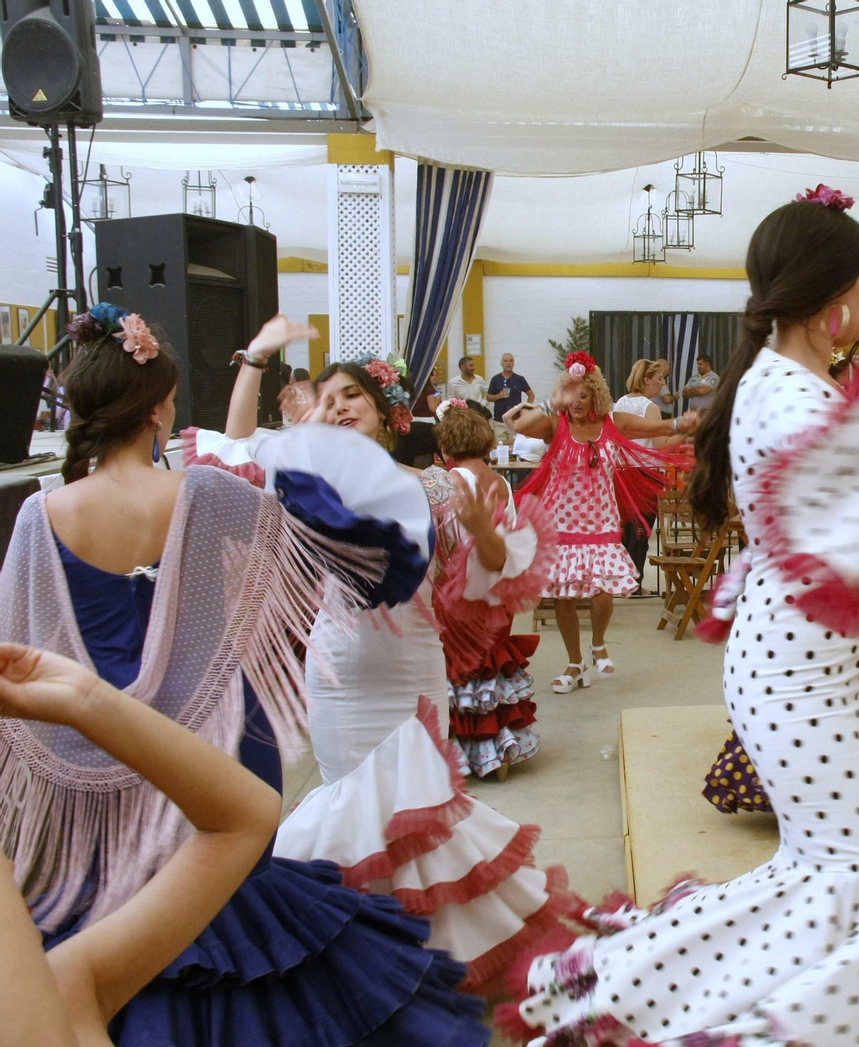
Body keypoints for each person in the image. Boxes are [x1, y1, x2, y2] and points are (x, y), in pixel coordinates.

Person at [509, 189, 859, 1045]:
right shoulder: (785, 392)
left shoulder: (789, 380)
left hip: (812, 657)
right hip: (799, 669)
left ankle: (654, 991)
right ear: (832, 298)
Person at [5, 305, 491, 1044]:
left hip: (96, 759)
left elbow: (19, 649)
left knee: (111, 931)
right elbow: (362, 559)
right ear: (161, 409)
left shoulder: (40, 518)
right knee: (234, 900)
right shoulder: (208, 495)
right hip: (216, 749)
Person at [198, 338, 573, 993]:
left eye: (356, 399)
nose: (340, 409)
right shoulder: (301, 487)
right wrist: (253, 359)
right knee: (353, 802)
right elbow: (230, 455)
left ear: (389, 416)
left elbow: (496, 565)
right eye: (330, 399)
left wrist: (482, 528)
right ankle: (356, 962)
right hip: (340, 667)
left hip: (415, 667)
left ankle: (426, 956)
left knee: (423, 807)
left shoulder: (434, 485)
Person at [0, 643, 284, 1047]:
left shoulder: (69, 989)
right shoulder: (59, 1002)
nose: (15, 871)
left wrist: (86, 698)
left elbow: (246, 820)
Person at [510, 353, 691, 692]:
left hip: (601, 519)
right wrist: (553, 403)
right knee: (563, 595)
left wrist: (685, 424)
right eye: (571, 394)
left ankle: (598, 642)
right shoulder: (555, 424)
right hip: (561, 520)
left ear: (596, 395)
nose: (576, 402)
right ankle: (574, 663)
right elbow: (519, 425)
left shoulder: (613, 422)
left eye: (583, 395)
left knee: (602, 589)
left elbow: (661, 428)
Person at [433, 400, 547, 781]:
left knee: (462, 668)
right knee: (492, 665)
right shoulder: (500, 481)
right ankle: (502, 750)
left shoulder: (452, 479)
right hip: (500, 584)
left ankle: (468, 753)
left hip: (463, 586)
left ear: (446, 447)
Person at [614, 358, 692, 585]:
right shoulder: (650, 408)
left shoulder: (619, 404)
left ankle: (621, 579)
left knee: (625, 527)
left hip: (621, 470)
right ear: (646, 379)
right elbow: (662, 445)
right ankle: (634, 582)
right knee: (642, 528)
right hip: (644, 472)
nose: (662, 384)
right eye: (660, 379)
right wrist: (686, 430)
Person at [488, 352, 533, 424]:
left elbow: (531, 394)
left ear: (513, 363)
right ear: (501, 364)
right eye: (506, 361)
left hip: (515, 420)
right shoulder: (495, 379)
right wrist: (498, 396)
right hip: (499, 420)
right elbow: (488, 397)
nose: (508, 363)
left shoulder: (519, 379)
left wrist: (525, 409)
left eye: (511, 361)